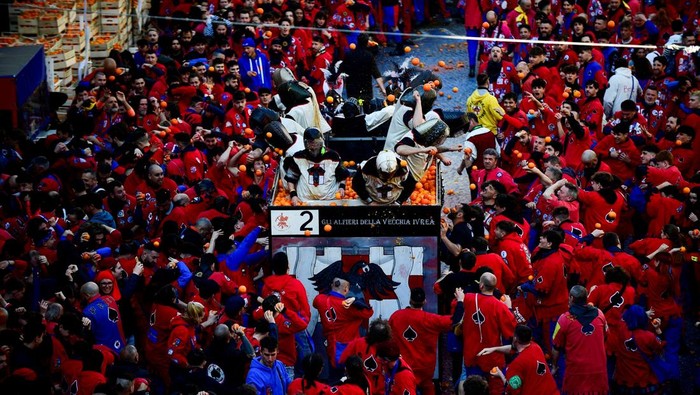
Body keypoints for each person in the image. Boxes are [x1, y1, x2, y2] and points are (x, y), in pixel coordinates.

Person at [454, 273, 516, 395]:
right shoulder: (500, 307)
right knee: (496, 391)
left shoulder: (469, 299)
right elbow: (511, 330)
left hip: (472, 355)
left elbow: (456, 315)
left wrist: (460, 299)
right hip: (493, 358)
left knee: (472, 389)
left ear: (481, 285)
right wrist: (508, 308)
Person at [388, 288, 453, 395]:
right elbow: (454, 321)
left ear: (410, 300)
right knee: (428, 388)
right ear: (424, 301)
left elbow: (388, 338)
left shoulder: (396, 316)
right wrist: (459, 302)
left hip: (403, 367)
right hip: (425, 369)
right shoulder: (431, 320)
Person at [551, 285, 609, 395]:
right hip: (599, 373)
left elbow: (556, 347)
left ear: (572, 298)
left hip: (576, 375)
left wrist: (554, 366)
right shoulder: (600, 315)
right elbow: (606, 336)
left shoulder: (564, 319)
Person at [312, 277, 374, 373]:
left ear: (332, 286)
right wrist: (356, 300)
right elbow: (369, 312)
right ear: (346, 289)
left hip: (331, 345)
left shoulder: (320, 300)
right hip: (349, 348)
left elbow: (315, 303)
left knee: (334, 378)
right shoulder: (348, 307)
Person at [478, 325, 559, 395]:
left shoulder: (516, 366)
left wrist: (500, 375)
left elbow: (511, 390)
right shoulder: (536, 347)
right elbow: (514, 348)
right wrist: (494, 349)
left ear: (515, 338)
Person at [283, 127, 349, 205]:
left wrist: (342, 187)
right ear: (305, 143)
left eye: (316, 141)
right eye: (310, 142)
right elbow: (291, 177)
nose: (314, 145)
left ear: (321, 141)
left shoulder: (333, 156)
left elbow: (343, 175)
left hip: (330, 201)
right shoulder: (298, 157)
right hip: (305, 201)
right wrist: (293, 195)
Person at [338, 33, 386, 108]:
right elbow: (376, 73)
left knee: (354, 107)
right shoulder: (369, 56)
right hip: (365, 88)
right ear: (367, 42)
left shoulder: (349, 54)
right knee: (364, 107)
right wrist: (383, 88)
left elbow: (342, 69)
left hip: (352, 87)